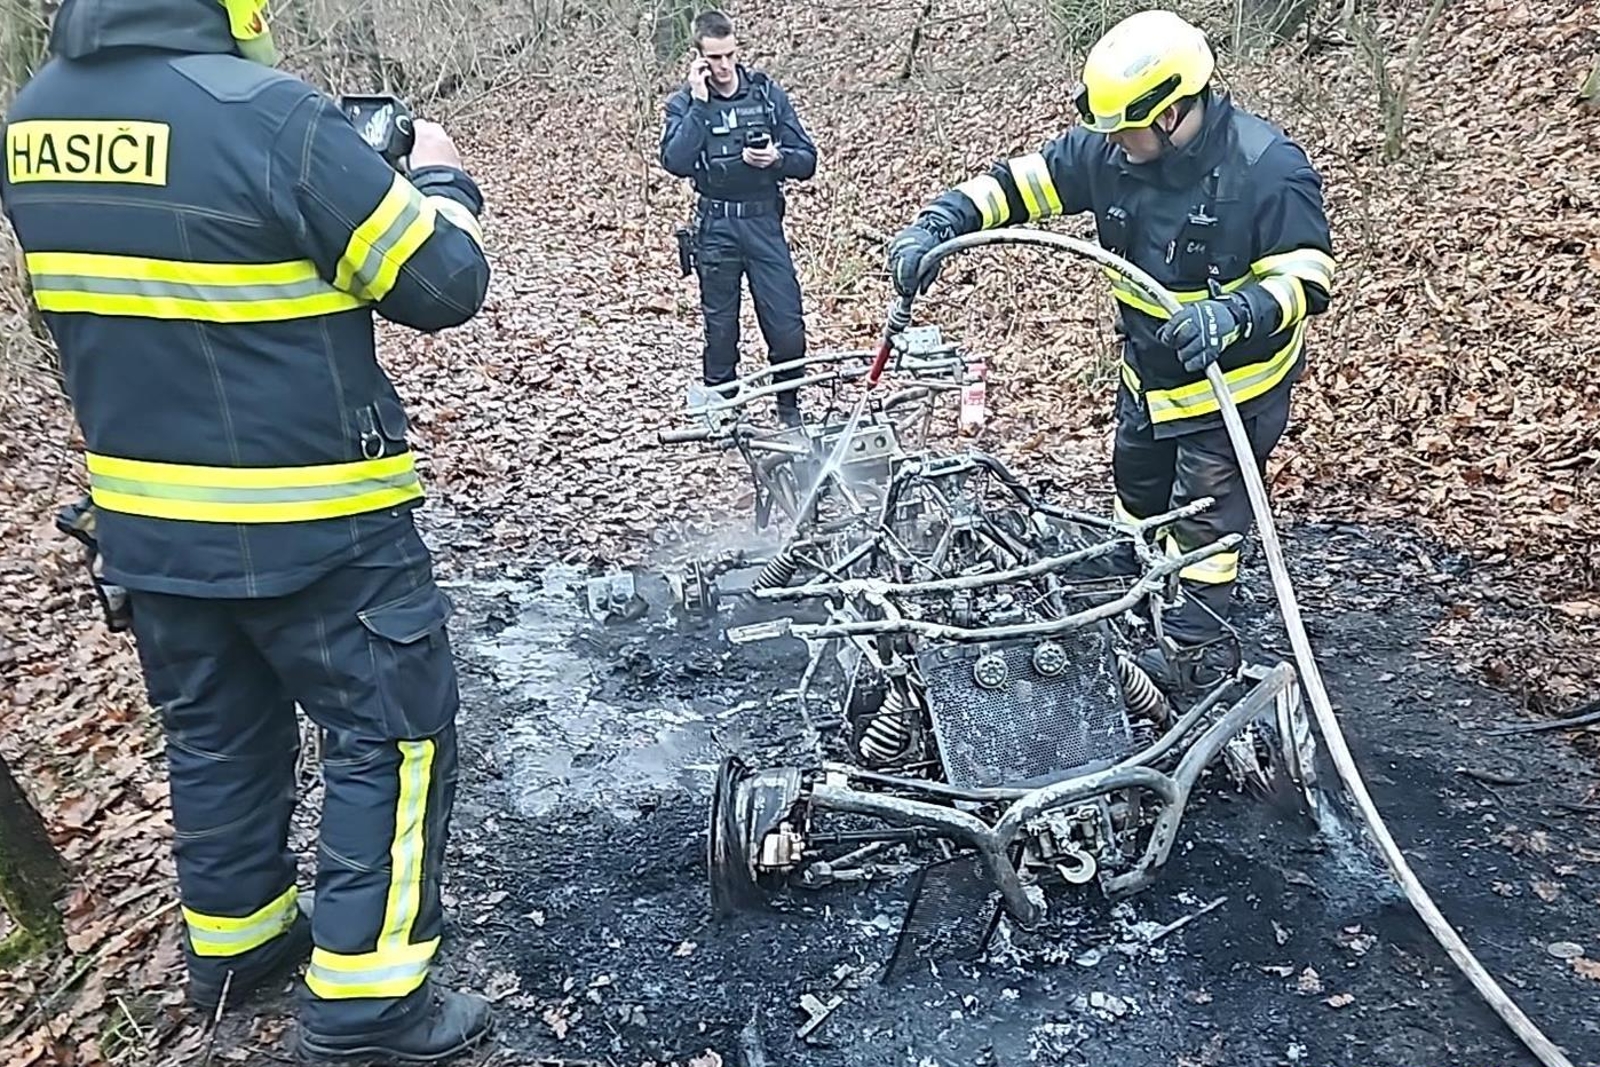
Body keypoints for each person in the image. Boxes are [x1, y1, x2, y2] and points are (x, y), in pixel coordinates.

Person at [0, 0, 493, 1060]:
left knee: (218, 731)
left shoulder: (31, 119)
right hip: (314, 522)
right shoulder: (271, 116)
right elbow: (443, 282)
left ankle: (240, 944)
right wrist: (442, 178)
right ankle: (369, 1006)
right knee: (393, 737)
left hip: (148, 521)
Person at [885, 8, 1335, 692]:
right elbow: (1016, 185)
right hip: (1150, 371)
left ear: (1174, 110)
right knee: (1136, 485)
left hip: (1233, 386)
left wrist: (1235, 313)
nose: (1114, 142)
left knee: (1207, 522)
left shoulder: (1266, 169)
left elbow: (1308, 273)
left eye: (1126, 127)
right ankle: (1125, 596)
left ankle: (1193, 651)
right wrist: (937, 224)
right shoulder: (1111, 152)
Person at [659, 9, 818, 428]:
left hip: (764, 221)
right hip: (716, 225)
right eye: (714, 58)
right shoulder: (685, 103)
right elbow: (675, 160)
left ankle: (789, 409)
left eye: (730, 55)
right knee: (721, 329)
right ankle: (724, 413)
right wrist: (698, 103)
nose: (724, 66)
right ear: (699, 59)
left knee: (786, 325)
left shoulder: (765, 94)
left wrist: (776, 159)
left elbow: (807, 160)